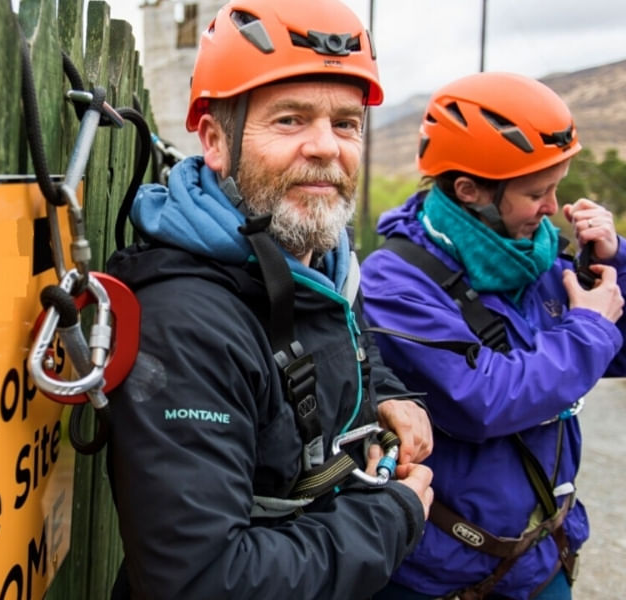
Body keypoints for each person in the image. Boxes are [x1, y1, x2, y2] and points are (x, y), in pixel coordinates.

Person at [102, 0, 435, 597]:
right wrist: (393, 516)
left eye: (345, 124)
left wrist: (386, 397)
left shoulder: (324, 265)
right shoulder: (187, 323)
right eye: (290, 120)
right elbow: (203, 580)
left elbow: (344, 347)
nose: (325, 147)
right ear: (215, 142)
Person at [361, 72, 626, 600]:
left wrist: (615, 262)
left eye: (556, 187)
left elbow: (613, 357)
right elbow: (481, 400)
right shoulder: (394, 282)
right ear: (470, 191)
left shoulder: (537, 254)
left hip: (543, 560)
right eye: (537, 192)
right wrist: (590, 326)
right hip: (442, 579)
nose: (553, 208)